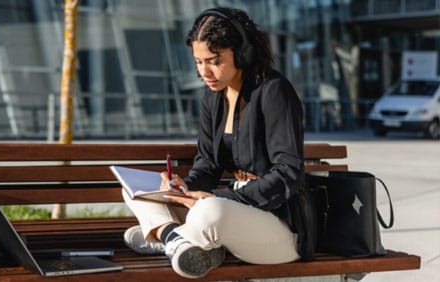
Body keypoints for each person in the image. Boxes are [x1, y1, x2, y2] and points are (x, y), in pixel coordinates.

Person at [122, 7, 310, 279]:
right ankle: (181, 242)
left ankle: (166, 237)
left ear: (242, 52)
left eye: (213, 60)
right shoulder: (213, 97)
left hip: (278, 227)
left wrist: (219, 197)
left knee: (210, 210)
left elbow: (288, 175)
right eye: (198, 62)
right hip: (234, 214)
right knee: (137, 190)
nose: (204, 72)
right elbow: (208, 163)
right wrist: (185, 186)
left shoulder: (273, 91)